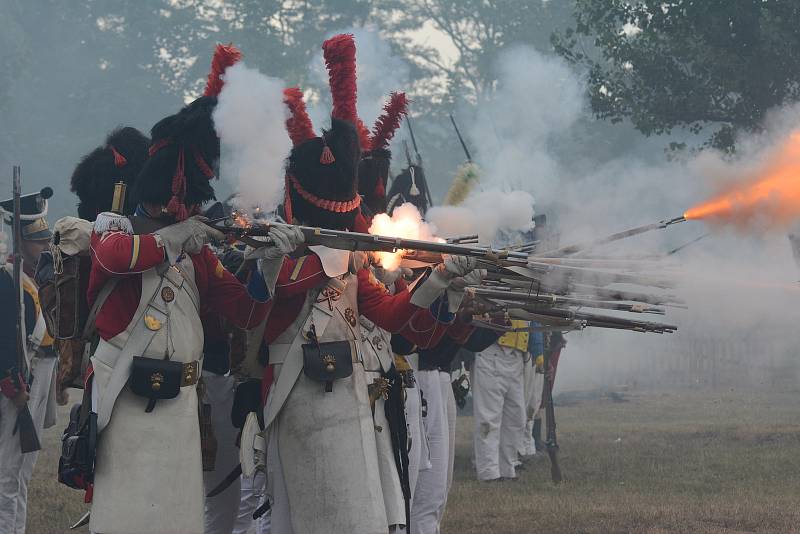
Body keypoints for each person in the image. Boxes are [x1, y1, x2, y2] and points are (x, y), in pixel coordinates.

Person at [250, 34, 477, 534]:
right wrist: (312, 255)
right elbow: (271, 302)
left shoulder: (348, 263)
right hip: (296, 397)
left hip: (352, 400)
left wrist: (440, 277)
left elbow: (395, 319)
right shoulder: (285, 258)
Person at [85, 44, 303, 534]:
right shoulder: (115, 226)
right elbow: (115, 258)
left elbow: (245, 314)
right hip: (126, 398)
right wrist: (171, 237)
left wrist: (268, 265)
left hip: (183, 404)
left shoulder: (196, 251)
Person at [408, 302, 503, 534]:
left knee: (438, 493)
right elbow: (423, 342)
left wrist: (496, 321)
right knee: (425, 494)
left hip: (438, 376)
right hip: (420, 377)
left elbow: (469, 343)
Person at [0, 187, 57, 534]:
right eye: (38, 242)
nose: (45, 247)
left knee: (23, 472)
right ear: (20, 241)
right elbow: (4, 338)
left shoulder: (36, 280)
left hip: (41, 376)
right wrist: (12, 384)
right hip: (20, 385)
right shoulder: (7, 281)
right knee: (8, 473)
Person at [472, 319, 530, 481]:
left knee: (517, 419)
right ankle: (488, 472)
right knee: (489, 418)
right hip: (492, 349)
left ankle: (507, 468)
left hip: (516, 353)